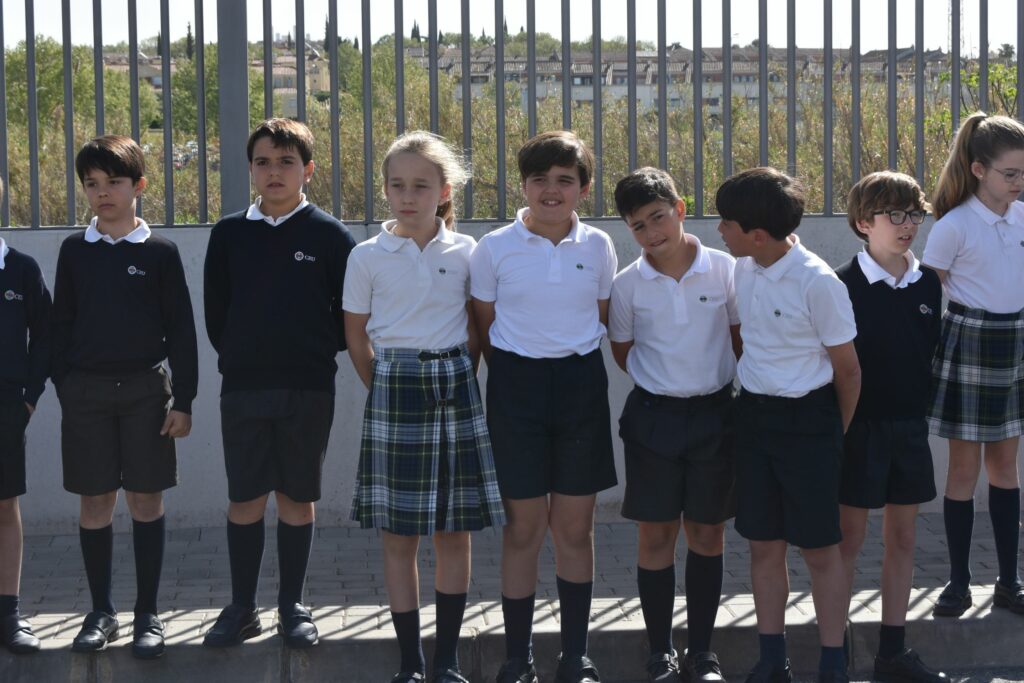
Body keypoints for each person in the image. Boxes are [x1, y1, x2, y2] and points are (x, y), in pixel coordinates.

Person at [345, 130, 506, 683]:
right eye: (396, 185)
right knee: (399, 533)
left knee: (453, 532)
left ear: (445, 189)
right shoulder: (366, 255)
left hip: (455, 387)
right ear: (385, 190)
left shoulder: (470, 252)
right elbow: (356, 336)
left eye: (420, 185)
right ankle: (411, 662)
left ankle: (447, 661)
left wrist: (460, 376)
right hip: (393, 388)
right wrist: (386, 385)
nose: (407, 195)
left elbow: (477, 329)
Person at [202, 118, 356, 649]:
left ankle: (292, 605)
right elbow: (216, 316)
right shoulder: (227, 235)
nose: (274, 172)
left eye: (286, 162)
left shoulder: (331, 235)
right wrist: (247, 356)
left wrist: (310, 352)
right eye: (264, 162)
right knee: (245, 498)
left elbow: (348, 316)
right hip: (243, 387)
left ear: (307, 170)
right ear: (250, 169)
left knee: (296, 497)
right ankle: (242, 607)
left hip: (308, 387)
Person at [470, 130, 617, 683]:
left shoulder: (599, 245)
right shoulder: (494, 248)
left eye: (565, 180)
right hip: (516, 392)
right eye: (540, 180)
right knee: (523, 530)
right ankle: (517, 657)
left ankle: (575, 654)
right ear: (523, 185)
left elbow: (599, 315)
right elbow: (484, 327)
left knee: (575, 530)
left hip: (580, 389)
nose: (551, 191)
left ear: (583, 187)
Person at [52, 135, 199, 659]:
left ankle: (148, 613)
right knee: (95, 501)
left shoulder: (160, 252)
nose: (102, 193)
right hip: (86, 393)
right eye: (91, 184)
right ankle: (100, 611)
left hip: (145, 393)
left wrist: (184, 400)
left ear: (138, 185)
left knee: (145, 500)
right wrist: (65, 385)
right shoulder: (74, 250)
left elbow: (181, 329)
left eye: (113, 182)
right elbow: (60, 325)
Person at [715, 167, 861, 683]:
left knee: (822, 548)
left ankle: (832, 662)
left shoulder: (818, 282)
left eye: (726, 223)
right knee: (762, 544)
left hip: (812, 422)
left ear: (755, 233)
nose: (719, 232)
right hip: (754, 417)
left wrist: (831, 434)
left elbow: (847, 369)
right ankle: (772, 660)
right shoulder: (744, 267)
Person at [608, 168, 740, 683]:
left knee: (707, 532)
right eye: (638, 226)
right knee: (656, 534)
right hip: (653, 418)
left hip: (716, 415)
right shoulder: (627, 284)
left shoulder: (725, 269)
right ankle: (660, 652)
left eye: (658, 217)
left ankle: (702, 653)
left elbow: (738, 335)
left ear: (680, 209)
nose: (651, 232)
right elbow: (623, 351)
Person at [835, 171, 946, 683]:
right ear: (863, 222)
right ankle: (834, 654)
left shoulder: (927, 281)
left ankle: (892, 652)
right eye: (894, 215)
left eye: (915, 214)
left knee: (903, 539)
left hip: (908, 428)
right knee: (847, 542)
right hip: (858, 430)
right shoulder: (841, 284)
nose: (908, 225)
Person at [922, 112, 1024, 618]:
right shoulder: (953, 225)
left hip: (1015, 342)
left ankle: (1009, 580)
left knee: (1005, 466)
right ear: (980, 169)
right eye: (1011, 174)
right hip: (969, 343)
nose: (1020, 182)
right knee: (963, 470)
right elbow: (925, 294)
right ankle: (958, 582)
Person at [0, 175, 51, 655]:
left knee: (4, 508)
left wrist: (29, 397)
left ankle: (9, 612)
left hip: (5, 407)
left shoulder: (20, 270)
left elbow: (47, 337)